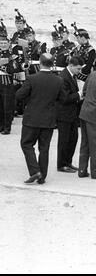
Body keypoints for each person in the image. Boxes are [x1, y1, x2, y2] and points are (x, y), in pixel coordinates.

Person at [16, 53, 65, 184]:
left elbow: (19, 95)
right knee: (44, 148)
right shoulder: (58, 80)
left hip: (32, 118)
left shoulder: (32, 78)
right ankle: (42, 176)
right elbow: (63, 98)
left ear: (40, 62)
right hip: (48, 119)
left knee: (26, 144)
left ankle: (35, 171)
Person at [56, 56, 84, 173]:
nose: (79, 71)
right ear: (71, 66)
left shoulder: (71, 75)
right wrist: (79, 94)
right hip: (64, 114)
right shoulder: (63, 77)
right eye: (78, 69)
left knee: (73, 138)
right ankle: (62, 164)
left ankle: (68, 161)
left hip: (72, 113)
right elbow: (65, 98)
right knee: (64, 140)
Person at [0, 26, 21, 135]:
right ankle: (0, 126)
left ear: (8, 44)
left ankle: (7, 127)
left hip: (7, 82)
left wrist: (3, 67)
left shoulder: (13, 56)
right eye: (1, 43)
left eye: (5, 43)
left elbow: (14, 69)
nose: (3, 45)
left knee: (7, 106)